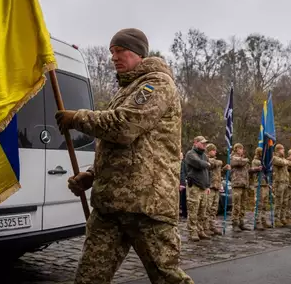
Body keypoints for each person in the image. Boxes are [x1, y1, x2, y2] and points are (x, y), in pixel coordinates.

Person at [55, 28, 193, 284]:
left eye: (120, 51)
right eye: (111, 52)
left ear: (138, 53)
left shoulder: (157, 84)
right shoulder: (125, 90)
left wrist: (78, 118)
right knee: (88, 278)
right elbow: (119, 148)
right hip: (110, 206)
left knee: (167, 277)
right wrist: (92, 176)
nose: (114, 57)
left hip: (146, 205)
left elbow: (124, 127)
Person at [185, 136, 212, 241]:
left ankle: (200, 230)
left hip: (203, 187)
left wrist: (208, 185)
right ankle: (193, 232)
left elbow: (207, 172)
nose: (204, 145)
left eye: (205, 143)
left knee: (202, 211)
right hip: (194, 187)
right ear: (195, 142)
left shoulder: (204, 155)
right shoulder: (190, 154)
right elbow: (199, 164)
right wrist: (208, 164)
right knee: (193, 210)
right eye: (202, 143)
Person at [205, 143, 229, 236]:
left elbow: (217, 171)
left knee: (214, 208)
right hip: (210, 186)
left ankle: (212, 225)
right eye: (213, 150)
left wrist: (224, 169)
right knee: (208, 207)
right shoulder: (206, 159)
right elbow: (212, 164)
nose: (215, 152)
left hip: (216, 186)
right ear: (209, 151)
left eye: (215, 150)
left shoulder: (216, 161)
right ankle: (206, 226)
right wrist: (220, 163)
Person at [230, 143, 252, 231]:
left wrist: (255, 169)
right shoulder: (233, 157)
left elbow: (248, 170)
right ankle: (235, 223)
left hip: (244, 184)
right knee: (236, 205)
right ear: (236, 149)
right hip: (237, 184)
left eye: (242, 148)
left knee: (243, 205)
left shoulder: (243, 159)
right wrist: (246, 159)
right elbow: (239, 162)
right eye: (240, 148)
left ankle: (241, 222)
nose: (242, 150)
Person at [251, 147, 269, 230]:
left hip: (265, 184)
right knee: (259, 204)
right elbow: (254, 171)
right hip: (259, 184)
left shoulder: (265, 161)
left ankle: (263, 220)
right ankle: (257, 221)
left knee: (265, 204)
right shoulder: (256, 161)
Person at [272, 144, 289, 228]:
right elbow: (282, 163)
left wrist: (286, 161)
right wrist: (286, 161)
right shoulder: (274, 158)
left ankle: (282, 218)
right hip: (279, 183)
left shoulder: (283, 158)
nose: (284, 151)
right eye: (282, 150)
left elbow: (286, 163)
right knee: (278, 202)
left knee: (285, 202)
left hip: (285, 182)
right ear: (278, 150)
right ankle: (276, 219)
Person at [179, 152, 188, 218]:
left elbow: (185, 173)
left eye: (182, 155)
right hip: (179, 183)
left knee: (183, 199)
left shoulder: (184, 163)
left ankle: (184, 213)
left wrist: (184, 181)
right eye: (180, 155)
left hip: (183, 183)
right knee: (179, 199)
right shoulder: (178, 163)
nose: (181, 156)